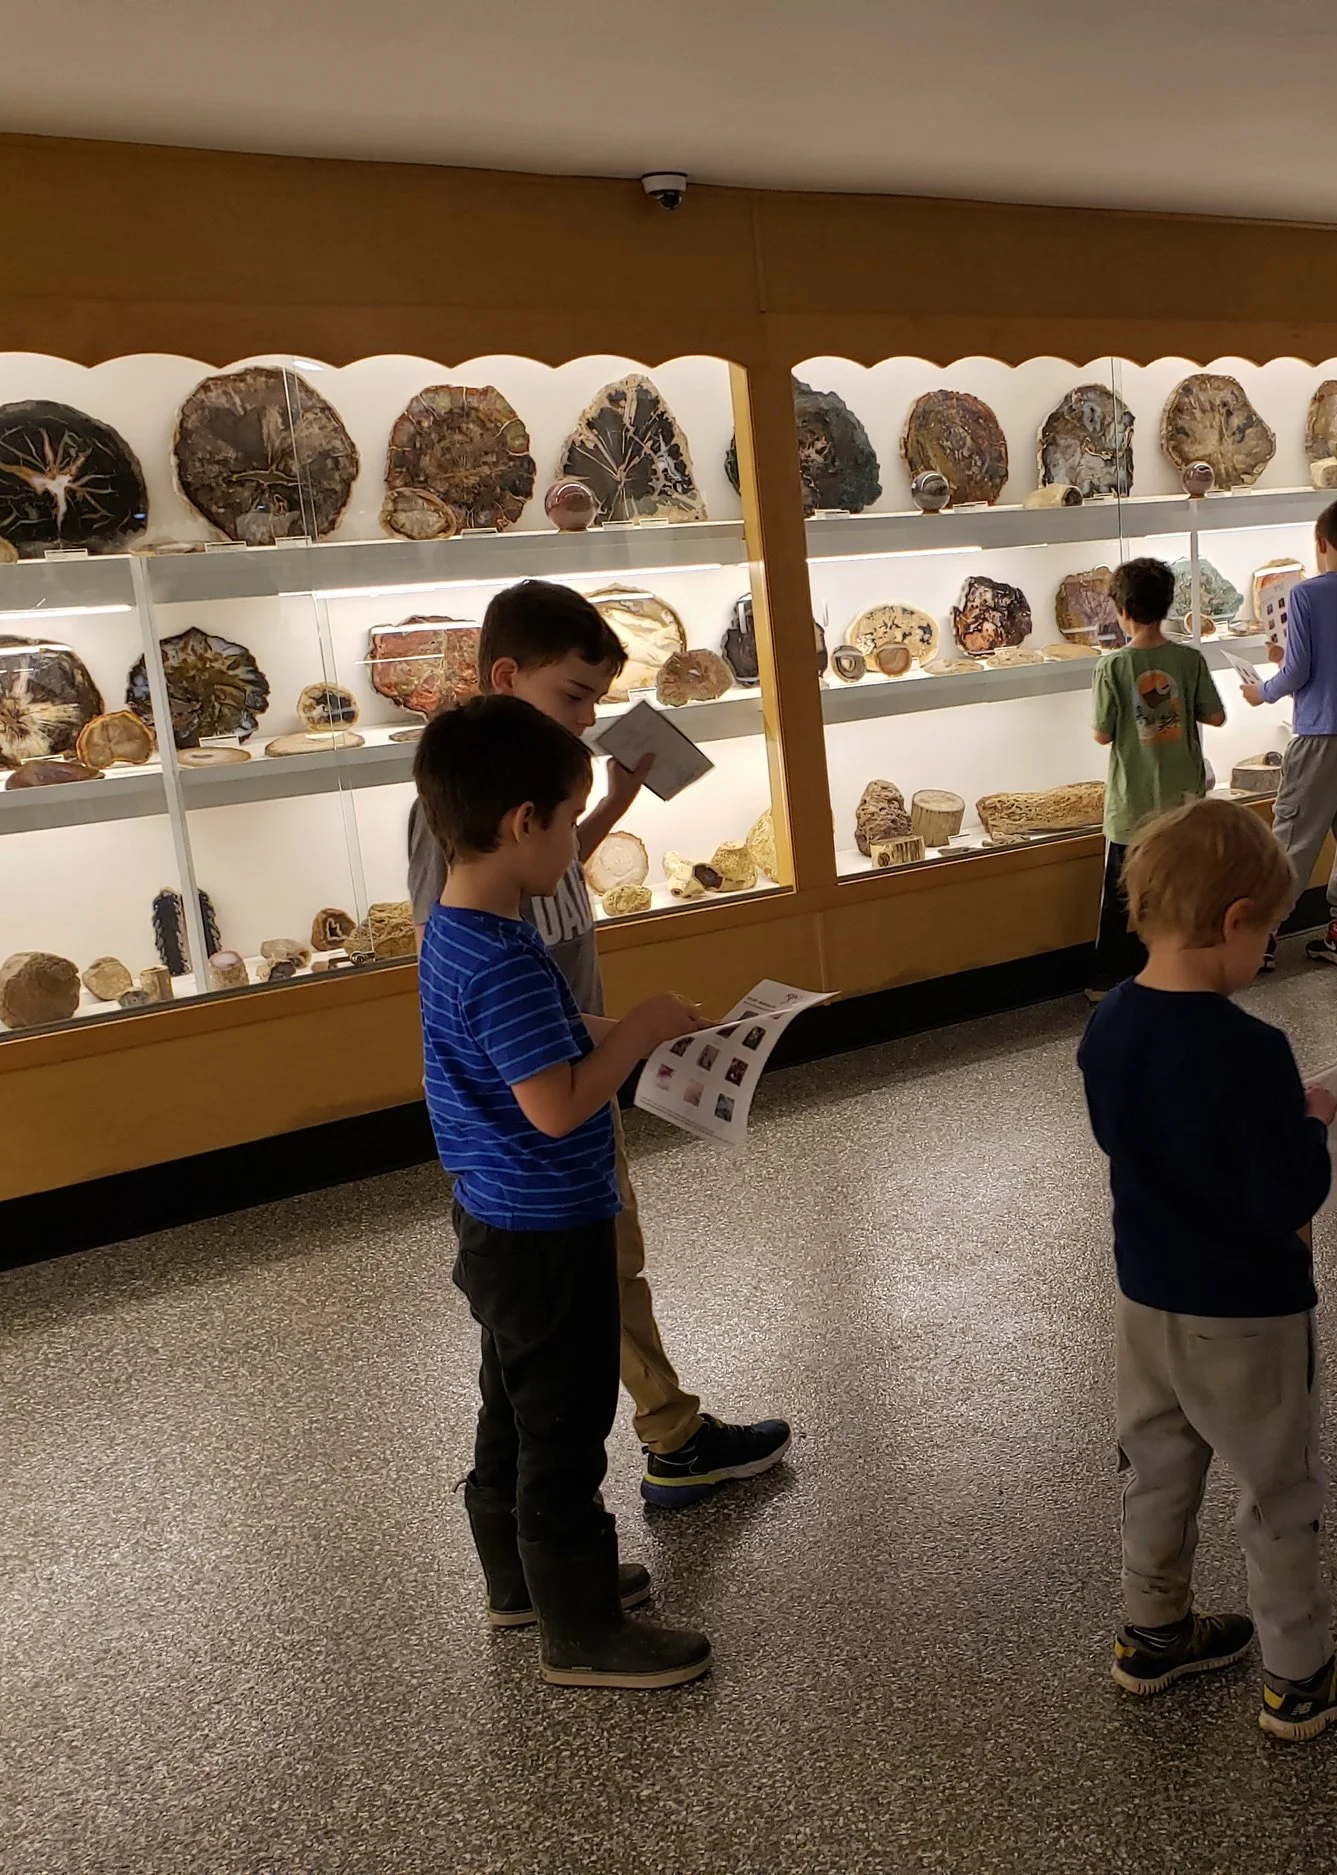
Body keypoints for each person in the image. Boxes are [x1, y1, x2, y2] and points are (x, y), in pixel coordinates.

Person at [408, 579, 790, 1518]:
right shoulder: (458, 818)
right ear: (506, 676)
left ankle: (664, 1431)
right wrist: (612, 1040)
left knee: (607, 1258)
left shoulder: (528, 805)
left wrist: (609, 806)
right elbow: (462, 934)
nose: (591, 718)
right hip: (549, 1078)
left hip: (574, 1044)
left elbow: (539, 870)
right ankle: (670, 1436)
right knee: (593, 1267)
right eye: (576, 696)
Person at [413, 693, 712, 1686]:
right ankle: (581, 1632)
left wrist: (594, 1030)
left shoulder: (454, 930)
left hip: (494, 1220)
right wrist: (633, 1030)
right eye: (567, 820)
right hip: (547, 1226)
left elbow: (516, 1059)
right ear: (521, 824)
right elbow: (554, 1107)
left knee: (511, 1401)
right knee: (563, 1430)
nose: (567, 861)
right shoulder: (500, 958)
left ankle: (515, 1585)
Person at [1077, 798, 1337, 1742]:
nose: (1270, 953)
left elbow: (1130, 1141)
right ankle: (1299, 1674)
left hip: (1146, 1299)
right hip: (1248, 1312)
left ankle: (1153, 1632)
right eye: (1271, 932)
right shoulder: (1254, 1051)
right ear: (1233, 921)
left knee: (1158, 1469)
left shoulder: (1109, 1026)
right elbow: (1287, 1193)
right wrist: (1314, 1119)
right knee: (1277, 1488)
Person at [1236, 497, 1337, 972]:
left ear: (1320, 542)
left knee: (1294, 834)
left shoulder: (1305, 595)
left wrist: (1261, 691)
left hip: (1319, 733)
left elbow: (1300, 669)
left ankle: (1264, 935)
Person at [1088, 558, 1227, 998]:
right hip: (1181, 799)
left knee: (1118, 894)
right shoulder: (1188, 659)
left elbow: (1102, 733)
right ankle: (1184, 967)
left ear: (1121, 610)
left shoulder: (1111, 668)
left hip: (1131, 801)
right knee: (1183, 884)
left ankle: (1106, 977)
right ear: (1168, 605)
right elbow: (1216, 715)